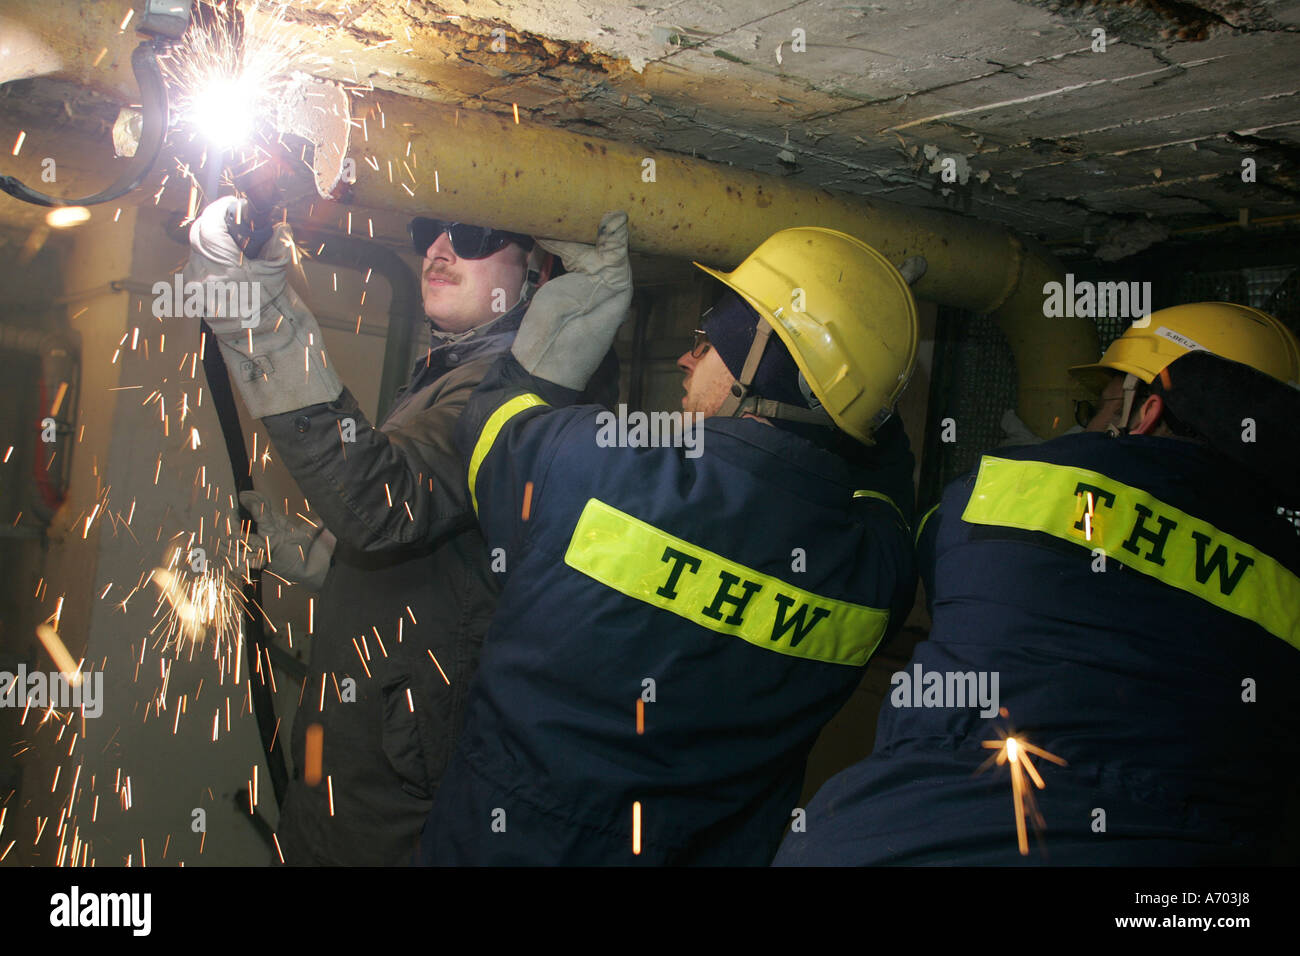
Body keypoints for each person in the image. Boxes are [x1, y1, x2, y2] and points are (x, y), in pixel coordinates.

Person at [416, 216, 922, 865]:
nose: (686, 356)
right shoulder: (877, 571)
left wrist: (575, 305)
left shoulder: (597, 464)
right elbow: (887, 486)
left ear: (759, 369)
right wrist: (870, 356)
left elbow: (490, 427)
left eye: (709, 343)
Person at [775, 302, 1300, 865]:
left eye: (1097, 407)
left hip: (892, 841)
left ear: (1144, 412)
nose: (1087, 423)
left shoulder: (1004, 487)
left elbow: (926, 551)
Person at [184, 198, 616, 865]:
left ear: (536, 267)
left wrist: (260, 325)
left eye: (472, 234)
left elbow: (385, 505)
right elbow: (446, 545)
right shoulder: (456, 373)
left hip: (401, 783)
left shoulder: (502, 394)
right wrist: (326, 557)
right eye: (429, 233)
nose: (439, 250)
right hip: (363, 751)